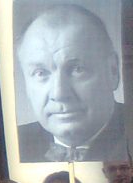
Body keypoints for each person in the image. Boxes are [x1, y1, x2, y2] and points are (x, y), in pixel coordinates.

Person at [15, 4, 125, 163]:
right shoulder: (18, 141)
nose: (59, 94)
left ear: (113, 71)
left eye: (77, 69)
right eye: (41, 73)